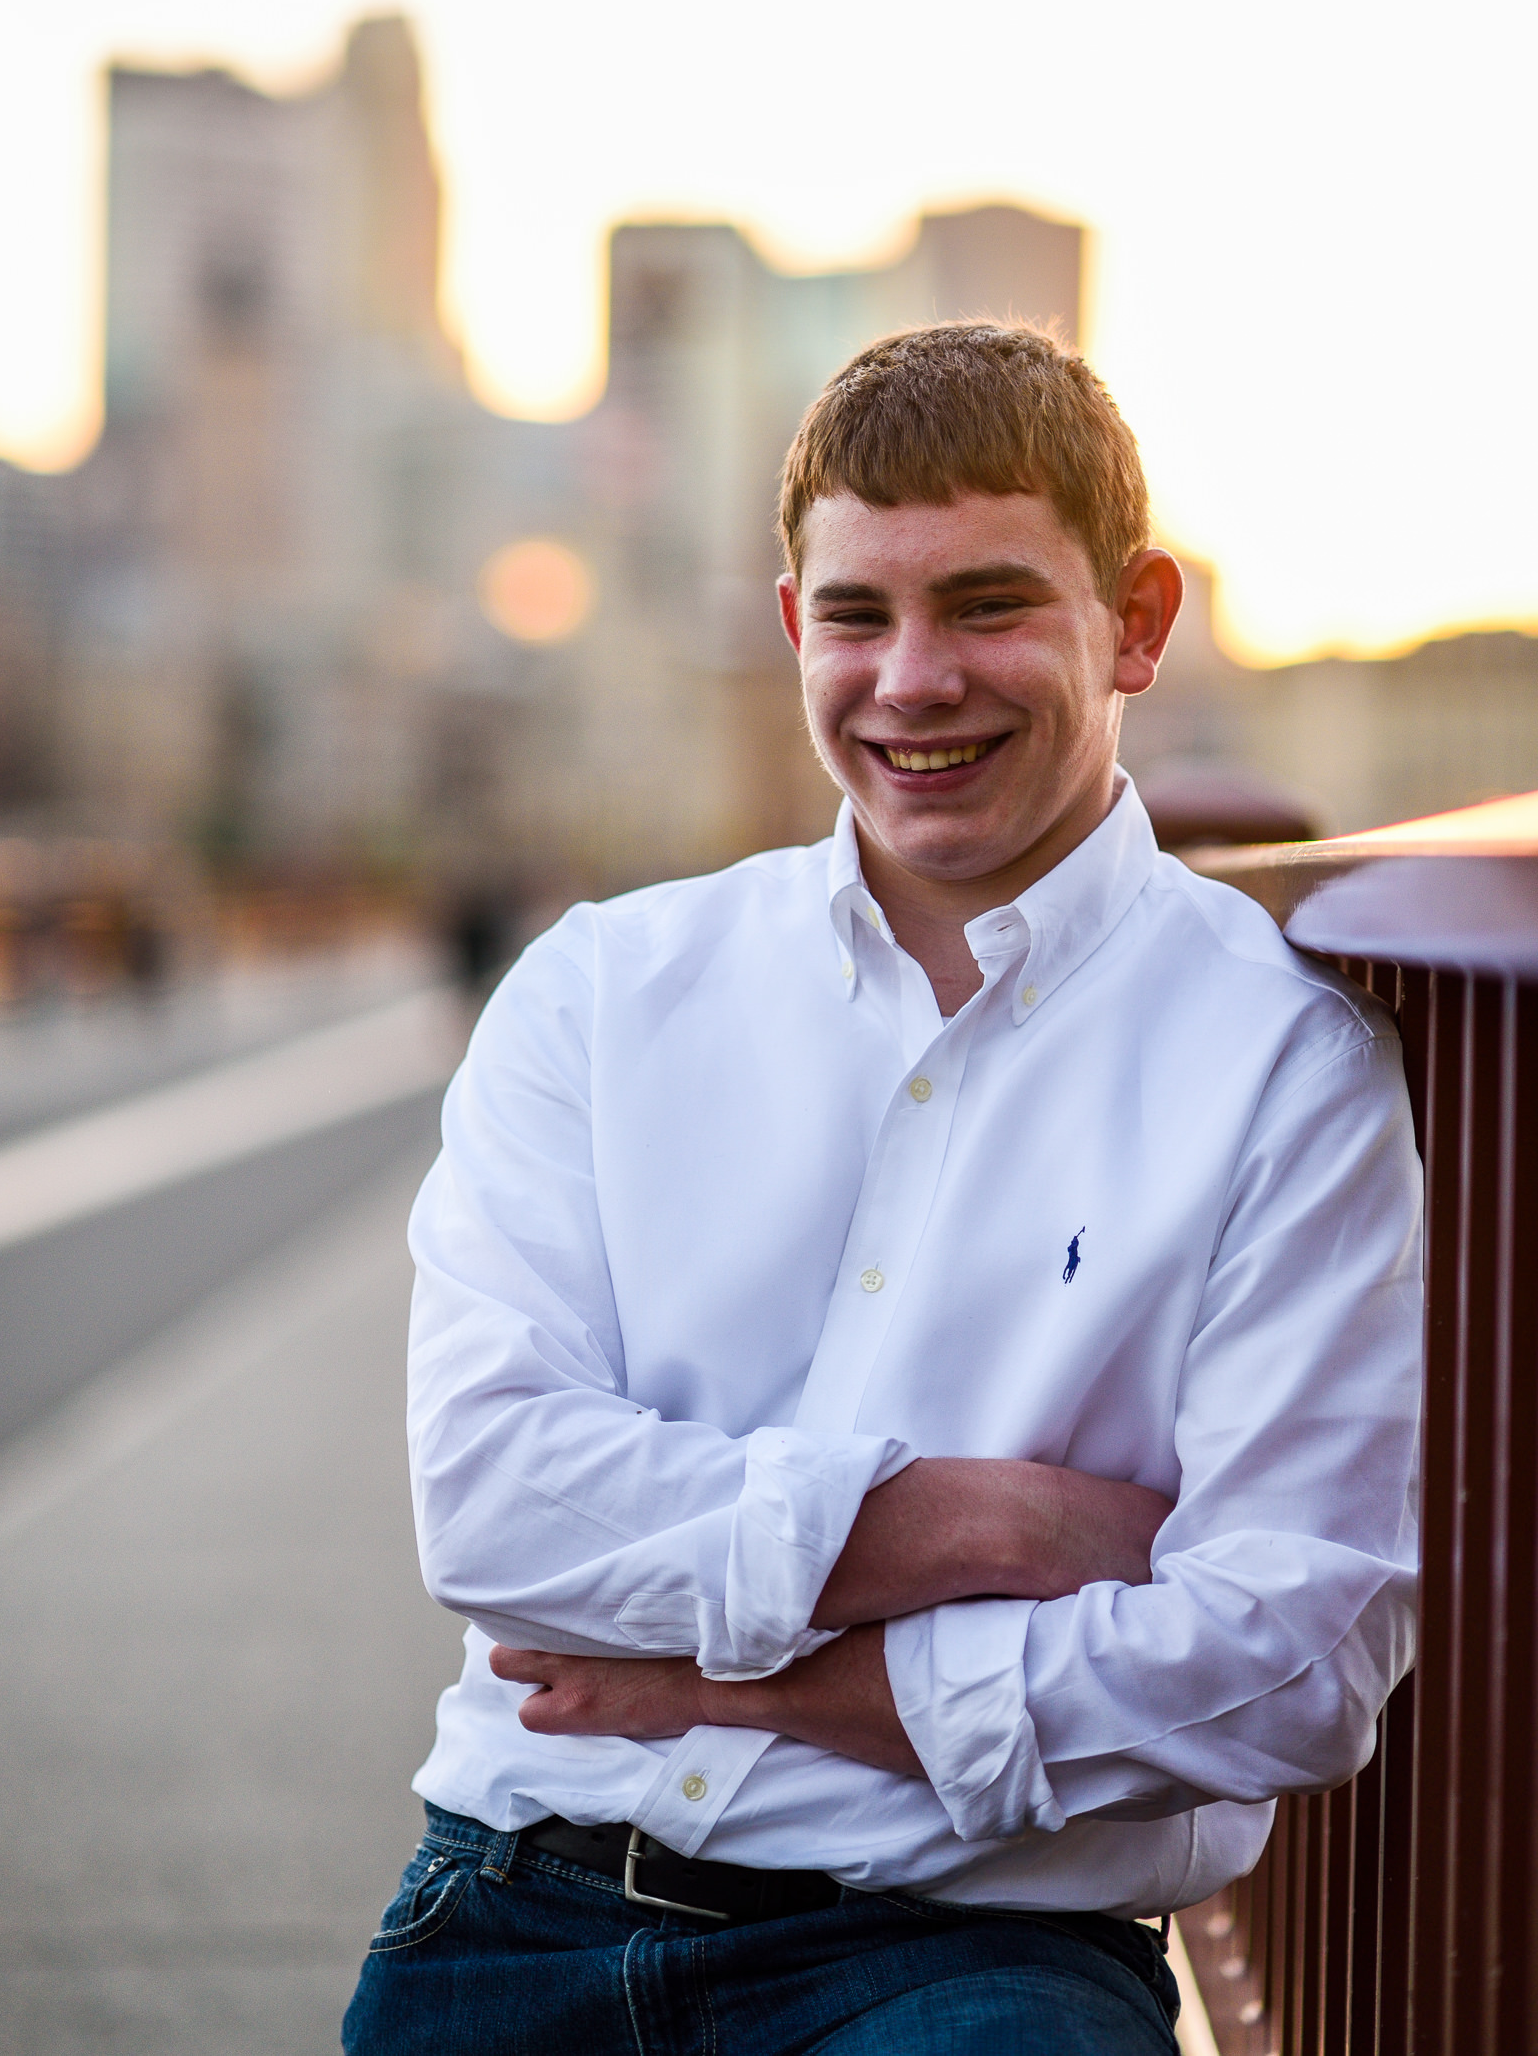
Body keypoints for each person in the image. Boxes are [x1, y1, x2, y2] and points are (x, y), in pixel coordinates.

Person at [344, 324, 1421, 2055]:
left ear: (1135, 622)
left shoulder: (1284, 1062)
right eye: (858, 614)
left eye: (989, 604)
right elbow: (490, 1504)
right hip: (512, 1905)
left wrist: (726, 1676)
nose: (913, 679)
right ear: (795, 629)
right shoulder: (602, 991)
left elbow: (1295, 1655)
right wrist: (1000, 1522)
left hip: (969, 1956)